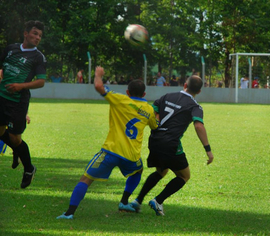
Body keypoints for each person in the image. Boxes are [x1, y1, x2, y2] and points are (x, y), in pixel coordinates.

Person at [57, 66, 158, 220]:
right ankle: (124, 201)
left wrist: (98, 74)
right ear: (144, 94)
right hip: (131, 155)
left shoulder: (120, 99)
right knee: (138, 170)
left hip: (110, 152)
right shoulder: (149, 109)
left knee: (85, 179)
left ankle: (69, 213)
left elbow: (99, 86)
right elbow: (155, 125)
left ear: (127, 92)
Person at [130, 75, 214, 216]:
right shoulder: (195, 106)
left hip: (155, 139)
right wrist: (208, 150)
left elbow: (152, 111)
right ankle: (158, 200)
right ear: (199, 91)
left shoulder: (167, 95)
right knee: (184, 176)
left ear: (184, 85)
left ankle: (137, 201)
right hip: (170, 143)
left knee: (161, 171)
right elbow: (199, 126)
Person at [0, 20, 46, 188]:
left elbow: (41, 82)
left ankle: (29, 168)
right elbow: (1, 68)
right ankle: (16, 150)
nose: (37, 38)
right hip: (1, 96)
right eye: (35, 33)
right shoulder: (10, 49)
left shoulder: (38, 57)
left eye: (40, 35)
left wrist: (20, 86)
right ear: (25, 33)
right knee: (1, 132)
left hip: (18, 102)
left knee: (14, 137)